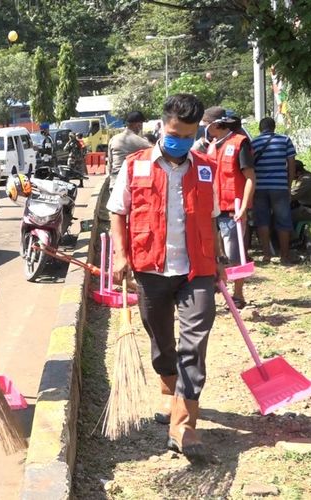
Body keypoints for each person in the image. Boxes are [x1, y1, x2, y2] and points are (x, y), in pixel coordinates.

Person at [107, 94, 225, 463]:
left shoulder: (205, 167)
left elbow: (211, 217)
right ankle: (170, 388)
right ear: (162, 126)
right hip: (151, 266)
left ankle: (183, 425)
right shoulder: (135, 165)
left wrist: (219, 257)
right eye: (175, 134)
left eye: (189, 136)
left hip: (197, 269)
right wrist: (121, 255)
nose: (181, 142)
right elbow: (117, 211)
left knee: (195, 342)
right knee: (160, 336)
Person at [201, 107, 256, 309]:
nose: (203, 130)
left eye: (205, 126)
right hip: (213, 208)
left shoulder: (239, 143)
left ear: (215, 125)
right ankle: (221, 290)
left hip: (233, 209)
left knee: (235, 254)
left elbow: (250, 178)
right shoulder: (212, 146)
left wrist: (244, 207)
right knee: (218, 255)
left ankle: (238, 295)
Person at [251, 117, 297, 264]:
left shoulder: (254, 142)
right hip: (279, 186)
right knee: (283, 221)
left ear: (260, 128)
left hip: (259, 187)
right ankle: (284, 256)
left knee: (262, 221)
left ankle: (266, 255)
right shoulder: (285, 140)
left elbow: (250, 166)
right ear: (274, 127)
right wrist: (288, 185)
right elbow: (291, 165)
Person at [106, 111, 151, 191]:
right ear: (138, 125)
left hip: (115, 182)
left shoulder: (113, 139)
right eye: (141, 125)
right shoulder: (141, 142)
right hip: (129, 185)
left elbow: (110, 164)